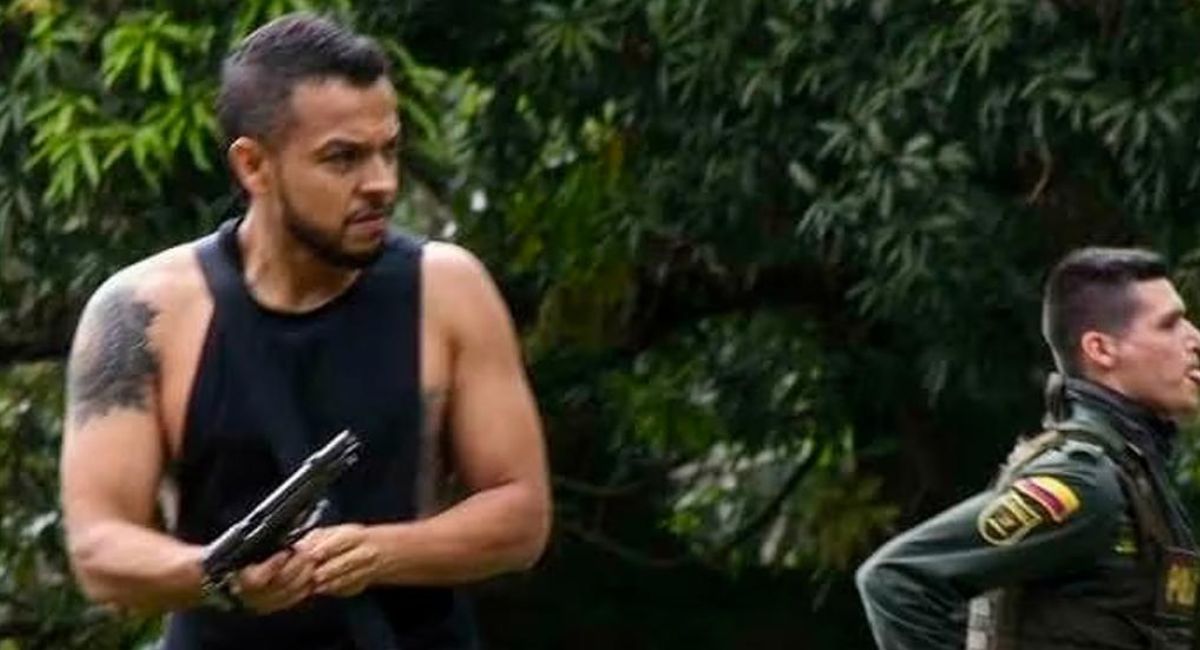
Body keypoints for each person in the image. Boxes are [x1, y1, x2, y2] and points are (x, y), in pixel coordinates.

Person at [58, 13, 550, 649]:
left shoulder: (449, 291)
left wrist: (380, 551)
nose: (381, 183)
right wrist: (218, 574)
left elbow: (521, 516)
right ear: (253, 166)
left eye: (389, 150)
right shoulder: (141, 311)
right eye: (343, 158)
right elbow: (98, 549)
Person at [856, 247, 1200, 649]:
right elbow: (896, 579)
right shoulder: (1083, 481)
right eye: (1169, 324)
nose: (1194, 338)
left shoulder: (1136, 472)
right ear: (1101, 349)